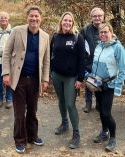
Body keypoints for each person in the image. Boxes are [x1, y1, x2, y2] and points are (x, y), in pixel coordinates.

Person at [2, 6, 50, 154]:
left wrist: (45, 79)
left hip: (35, 80)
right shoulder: (17, 31)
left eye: (36, 16)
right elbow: (6, 53)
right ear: (27, 17)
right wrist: (6, 74)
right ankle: (20, 140)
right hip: (18, 79)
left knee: (33, 111)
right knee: (19, 112)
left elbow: (47, 60)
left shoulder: (45, 36)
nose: (34, 19)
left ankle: (32, 136)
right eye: (31, 16)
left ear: (40, 19)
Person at [89, 23, 125, 152]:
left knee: (106, 112)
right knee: (100, 110)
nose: (103, 34)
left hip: (109, 85)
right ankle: (104, 132)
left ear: (111, 32)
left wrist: (118, 87)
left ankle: (113, 138)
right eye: (101, 32)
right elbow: (95, 64)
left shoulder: (118, 48)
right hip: (97, 84)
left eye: (106, 32)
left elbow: (123, 70)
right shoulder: (99, 46)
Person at [50, 12, 85, 149]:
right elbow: (51, 54)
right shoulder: (55, 36)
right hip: (57, 75)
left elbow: (82, 60)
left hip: (71, 78)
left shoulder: (78, 37)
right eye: (65, 20)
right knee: (61, 101)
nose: (67, 23)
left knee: (70, 104)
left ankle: (76, 134)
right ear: (61, 21)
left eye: (70, 21)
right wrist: (51, 72)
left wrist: (80, 79)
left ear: (73, 23)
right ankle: (64, 123)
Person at [80, 7, 105, 112]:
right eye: (95, 16)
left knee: (100, 83)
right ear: (91, 17)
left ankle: (99, 104)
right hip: (89, 61)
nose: (97, 18)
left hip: (102, 62)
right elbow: (81, 46)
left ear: (103, 17)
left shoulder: (106, 28)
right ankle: (88, 104)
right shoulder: (85, 30)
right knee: (89, 84)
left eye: (99, 16)